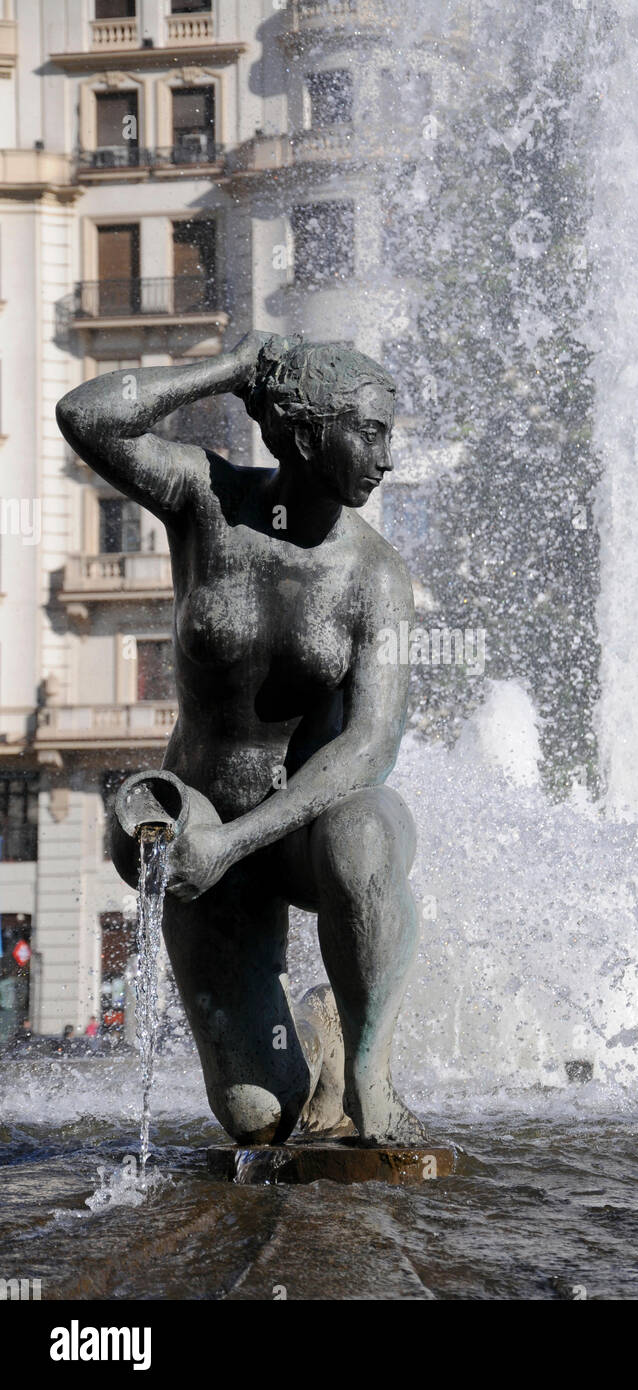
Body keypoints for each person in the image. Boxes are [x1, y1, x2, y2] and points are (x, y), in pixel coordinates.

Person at [56, 336, 425, 1147]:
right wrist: (232, 367)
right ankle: (311, 1037)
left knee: (364, 833)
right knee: (261, 1118)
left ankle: (368, 1067)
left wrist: (239, 840)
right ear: (300, 431)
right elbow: (86, 415)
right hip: (199, 836)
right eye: (367, 431)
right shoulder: (205, 498)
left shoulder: (376, 576)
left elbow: (370, 745)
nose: (385, 458)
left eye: (387, 434)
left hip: (302, 834)